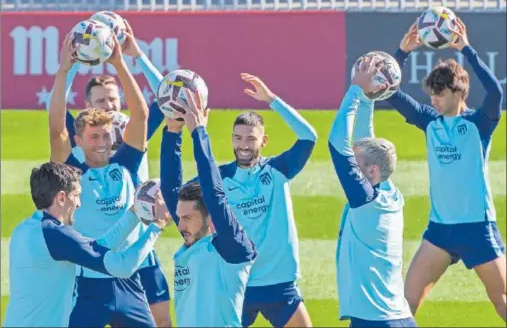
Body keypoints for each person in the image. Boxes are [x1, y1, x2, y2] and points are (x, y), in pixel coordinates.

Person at [158, 71, 316, 327]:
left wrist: (272, 99)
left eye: (251, 138)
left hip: (279, 283)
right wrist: (173, 133)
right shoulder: (218, 178)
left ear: (263, 141)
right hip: (235, 283)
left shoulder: (278, 169)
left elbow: (309, 137)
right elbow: (174, 195)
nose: (243, 145)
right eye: (237, 138)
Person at [46, 20, 172, 326]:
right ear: (78, 140)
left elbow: (142, 115)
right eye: (94, 137)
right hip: (86, 283)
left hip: (128, 281)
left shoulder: (125, 163)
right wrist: (64, 71)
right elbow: (55, 128)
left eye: (106, 136)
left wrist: (119, 62)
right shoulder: (70, 170)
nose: (103, 143)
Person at [387, 18, 506, 321]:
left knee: (502, 302)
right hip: (440, 230)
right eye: (431, 95)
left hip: (478, 228)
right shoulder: (430, 122)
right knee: (403, 303)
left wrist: (466, 49)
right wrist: (402, 52)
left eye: (439, 94)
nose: (434, 100)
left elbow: (495, 94)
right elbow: (388, 91)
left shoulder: (479, 124)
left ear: (458, 91)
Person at [3, 162, 171, 327]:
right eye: (76, 195)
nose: (79, 204)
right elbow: (123, 266)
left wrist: (135, 212)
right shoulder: (56, 236)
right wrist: (158, 225)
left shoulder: (26, 229)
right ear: (61, 198)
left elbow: (99, 246)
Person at [329, 57, 416, 328]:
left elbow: (336, 144)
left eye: (358, 163)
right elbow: (365, 140)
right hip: (401, 318)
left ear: (373, 172)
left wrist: (355, 89)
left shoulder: (365, 201)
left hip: (375, 322)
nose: (352, 165)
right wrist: (369, 99)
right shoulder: (390, 193)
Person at [159, 88, 257, 326]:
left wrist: (198, 132)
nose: (179, 225)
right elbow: (171, 191)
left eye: (187, 218)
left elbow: (215, 195)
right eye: (180, 218)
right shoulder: (192, 242)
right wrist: (172, 132)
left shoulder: (233, 248)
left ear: (209, 217)